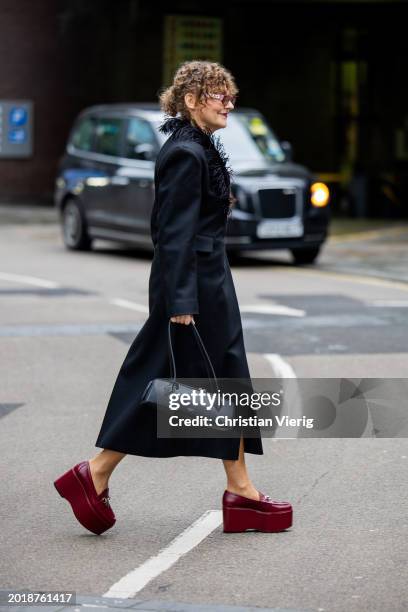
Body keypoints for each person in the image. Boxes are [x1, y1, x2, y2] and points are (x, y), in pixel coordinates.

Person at [53, 61, 292, 535]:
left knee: (210, 382)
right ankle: (97, 472)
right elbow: (172, 233)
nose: (229, 102)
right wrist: (181, 300)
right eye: (218, 95)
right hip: (195, 287)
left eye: (230, 94)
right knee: (191, 386)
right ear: (190, 101)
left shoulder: (200, 146)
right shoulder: (186, 152)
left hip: (207, 279)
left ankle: (236, 487)